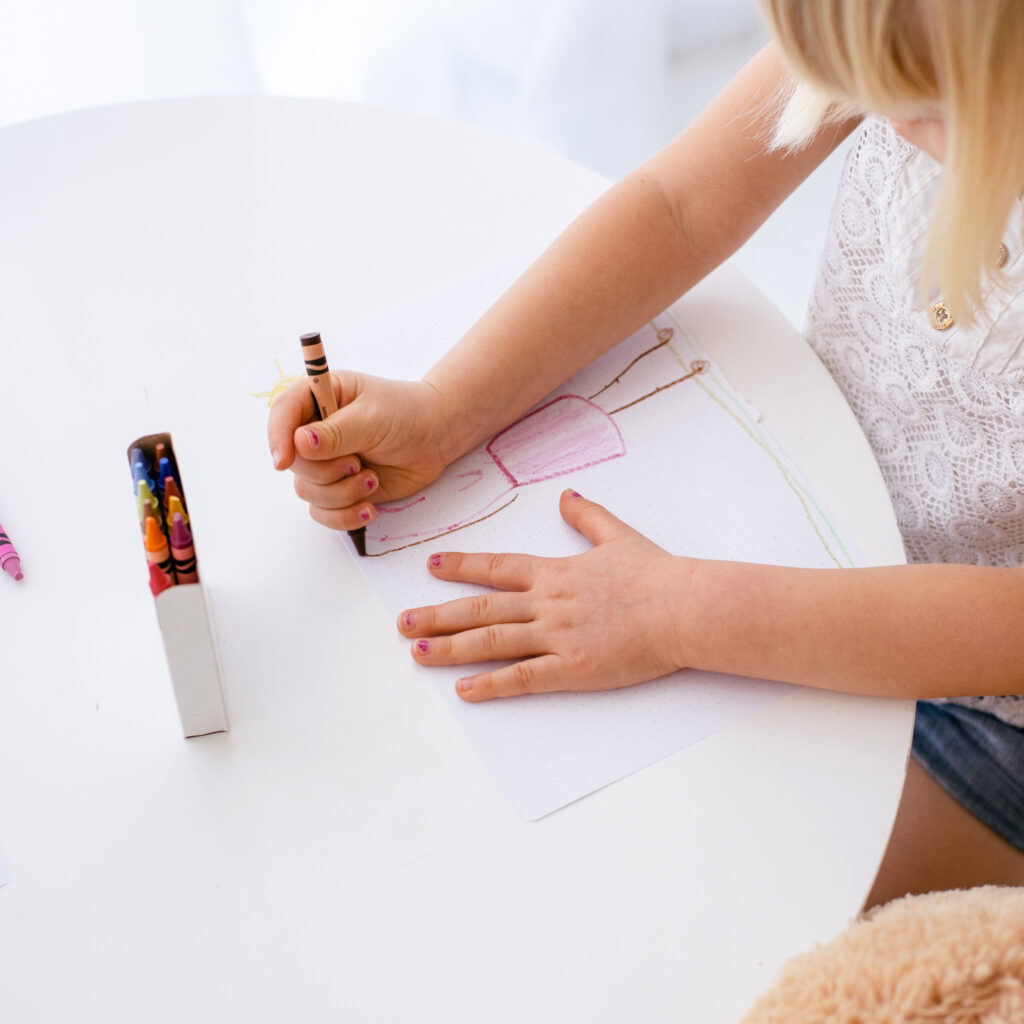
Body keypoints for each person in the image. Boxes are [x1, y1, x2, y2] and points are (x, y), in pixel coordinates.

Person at [267, 0, 1024, 906]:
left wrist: (683, 614)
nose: (887, 119)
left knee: (752, 912)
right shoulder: (907, 29)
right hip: (820, 507)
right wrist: (444, 409)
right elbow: (680, 206)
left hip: (992, 720)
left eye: (929, 106)